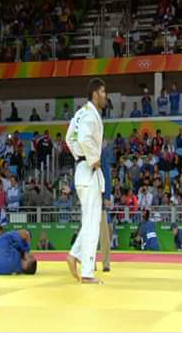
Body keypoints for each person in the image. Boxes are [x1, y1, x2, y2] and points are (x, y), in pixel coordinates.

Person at [65, 77, 107, 284]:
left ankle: (75, 254)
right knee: (92, 224)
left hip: (82, 170)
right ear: (95, 94)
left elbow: (69, 138)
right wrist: (91, 158)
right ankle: (88, 272)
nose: (105, 96)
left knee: (90, 220)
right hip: (89, 171)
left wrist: (79, 157)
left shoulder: (80, 113)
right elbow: (82, 138)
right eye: (103, 92)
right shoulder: (90, 115)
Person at [99, 142, 113, 272]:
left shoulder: (100, 152)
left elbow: (107, 175)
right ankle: (89, 262)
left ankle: (106, 262)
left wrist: (107, 196)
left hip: (99, 195)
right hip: (88, 194)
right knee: (88, 232)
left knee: (104, 231)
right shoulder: (84, 150)